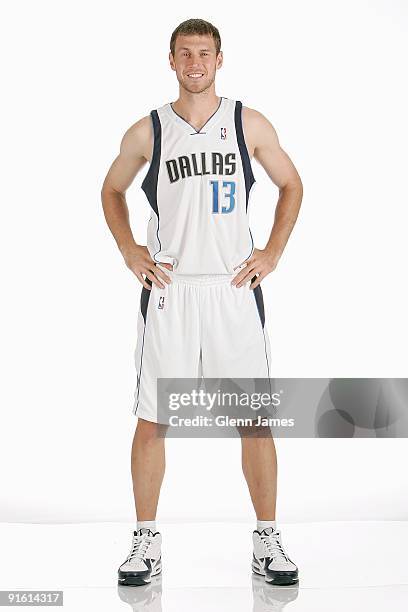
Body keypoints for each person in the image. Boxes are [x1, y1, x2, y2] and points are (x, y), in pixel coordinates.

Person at [101, 18, 303, 588]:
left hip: (233, 289)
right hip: (170, 290)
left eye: (205, 53)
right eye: (185, 53)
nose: (195, 62)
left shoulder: (248, 123)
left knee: (255, 420)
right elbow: (111, 189)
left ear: (220, 60)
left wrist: (273, 250)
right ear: (170, 60)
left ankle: (267, 539)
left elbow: (293, 183)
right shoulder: (150, 131)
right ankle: (145, 539)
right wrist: (130, 249)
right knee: (153, 418)